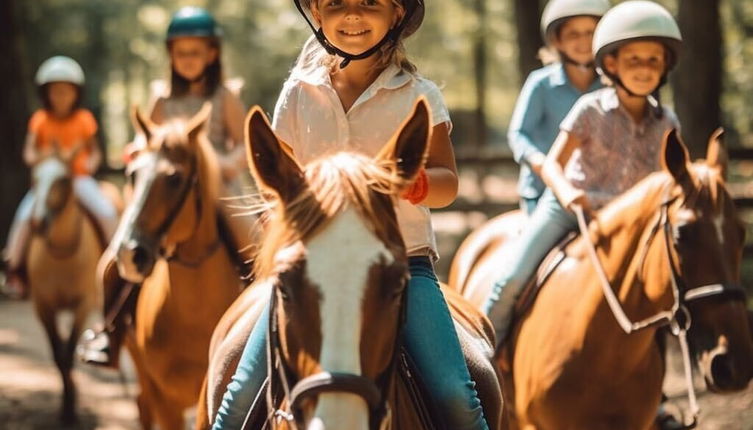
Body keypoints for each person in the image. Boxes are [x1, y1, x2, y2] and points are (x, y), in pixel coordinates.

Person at [212, 0, 489, 429]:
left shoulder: (420, 94)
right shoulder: (299, 91)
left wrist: (411, 183)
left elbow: (447, 182)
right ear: (318, 15)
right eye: (338, 4)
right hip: (312, 269)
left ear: (396, 15)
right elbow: (281, 183)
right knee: (236, 398)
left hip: (399, 264)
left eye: (370, 4)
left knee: (457, 394)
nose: (353, 16)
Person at [484, 0, 682, 346]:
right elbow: (549, 159)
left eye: (653, 60)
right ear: (612, 63)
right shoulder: (585, 105)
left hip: (627, 219)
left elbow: (673, 178)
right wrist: (565, 192)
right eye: (634, 60)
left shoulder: (666, 122)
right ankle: (481, 358)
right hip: (568, 208)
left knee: (669, 286)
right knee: (511, 279)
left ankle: (655, 381)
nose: (644, 68)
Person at [78, 6, 253, 368]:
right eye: (180, 52)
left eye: (195, 52)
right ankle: (110, 332)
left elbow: (243, 146)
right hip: (171, 186)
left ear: (212, 54)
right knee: (115, 258)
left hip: (219, 187)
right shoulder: (162, 98)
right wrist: (139, 153)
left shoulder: (226, 97)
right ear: (170, 55)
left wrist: (221, 165)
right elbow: (149, 142)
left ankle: (267, 330)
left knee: (258, 246)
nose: (187, 59)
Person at [2, 56, 117, 299]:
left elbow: (95, 152)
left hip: (79, 180)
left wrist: (90, 163)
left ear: (76, 93)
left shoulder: (84, 119)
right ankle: (13, 269)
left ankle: (116, 263)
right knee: (24, 216)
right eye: (55, 92)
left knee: (106, 211)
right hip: (48, 182)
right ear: (46, 93)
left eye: (66, 91)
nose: (61, 97)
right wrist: (47, 156)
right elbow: (29, 153)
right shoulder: (40, 120)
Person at [508, 0, 609, 215]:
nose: (583, 41)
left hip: (596, 193)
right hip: (543, 191)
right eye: (573, 34)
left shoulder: (610, 86)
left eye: (590, 32)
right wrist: (541, 163)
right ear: (557, 40)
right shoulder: (541, 83)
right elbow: (518, 134)